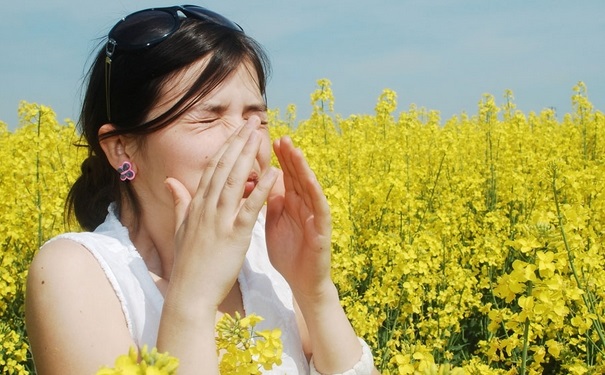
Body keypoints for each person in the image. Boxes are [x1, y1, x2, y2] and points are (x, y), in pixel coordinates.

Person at [25, 5, 379, 375]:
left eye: (256, 118)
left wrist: (315, 292)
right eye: (209, 117)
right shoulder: (75, 274)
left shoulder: (265, 255)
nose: (247, 142)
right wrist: (191, 301)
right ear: (121, 148)